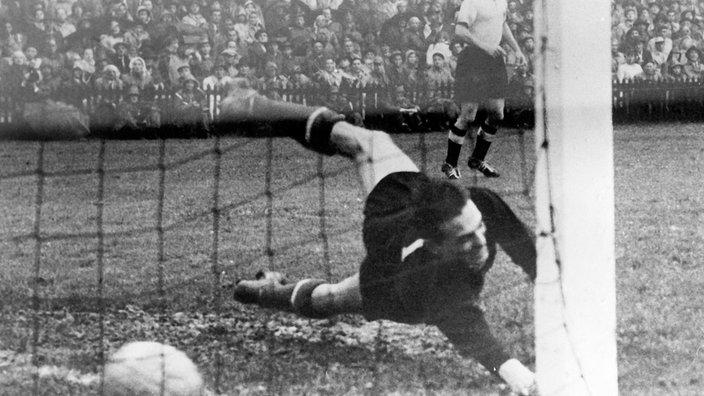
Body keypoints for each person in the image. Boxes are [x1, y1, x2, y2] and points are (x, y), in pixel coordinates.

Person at [223, 85, 537, 396]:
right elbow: (470, 332)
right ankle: (264, 292)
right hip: (392, 272)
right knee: (330, 299)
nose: (481, 242)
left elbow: (530, 252)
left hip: (408, 201)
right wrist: (517, 373)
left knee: (373, 141)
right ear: (436, 244)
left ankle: (259, 106)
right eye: (466, 239)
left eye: (479, 228)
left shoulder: (480, 204)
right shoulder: (427, 281)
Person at [441, 0, 525, 180]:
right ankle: (450, 163)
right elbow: (460, 31)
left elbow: (502, 24)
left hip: (494, 60)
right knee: (468, 116)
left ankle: (477, 159)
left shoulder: (501, 2)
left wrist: (517, 49)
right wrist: (485, 46)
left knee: (497, 114)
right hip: (473, 59)